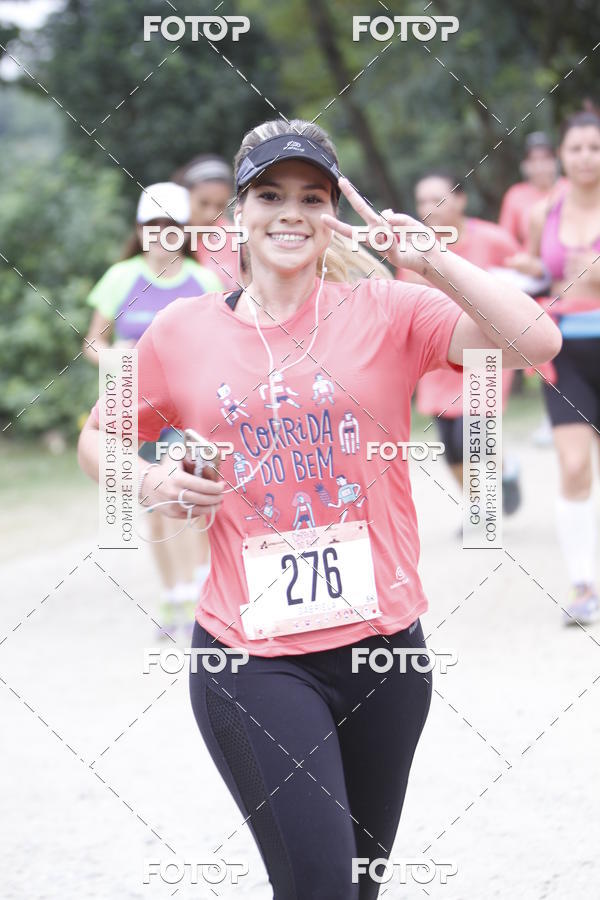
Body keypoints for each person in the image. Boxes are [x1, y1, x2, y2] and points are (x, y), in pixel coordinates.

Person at [78, 120, 560, 899]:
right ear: (238, 213)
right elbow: (97, 438)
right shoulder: (181, 330)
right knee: (320, 887)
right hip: (251, 658)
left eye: (312, 196)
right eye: (270, 195)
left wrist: (433, 261)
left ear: (335, 213)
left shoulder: (389, 309)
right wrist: (150, 483)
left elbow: (536, 342)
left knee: (359, 888)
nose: (291, 213)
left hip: (385, 654)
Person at [82, 181, 223, 635]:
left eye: (171, 225)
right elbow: (92, 342)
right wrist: (120, 359)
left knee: (188, 494)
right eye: (153, 225)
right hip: (132, 409)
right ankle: (173, 594)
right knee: (153, 500)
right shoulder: (120, 278)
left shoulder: (204, 281)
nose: (162, 234)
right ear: (140, 229)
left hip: (186, 410)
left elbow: (220, 345)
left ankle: (201, 589)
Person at [510, 110, 600, 626]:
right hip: (564, 349)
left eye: (594, 147)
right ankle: (584, 585)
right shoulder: (542, 212)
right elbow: (538, 270)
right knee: (572, 465)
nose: (586, 157)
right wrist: (528, 271)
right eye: (576, 148)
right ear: (562, 155)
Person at [399, 173, 523, 516]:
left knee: (470, 437)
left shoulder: (493, 239)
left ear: (460, 200)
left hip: (483, 354)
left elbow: (524, 282)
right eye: (422, 201)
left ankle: (503, 471)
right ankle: (479, 506)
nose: (428, 208)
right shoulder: (412, 249)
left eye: (437, 199)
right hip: (439, 363)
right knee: (452, 450)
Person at [171, 154, 239, 291]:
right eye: (203, 203)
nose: (211, 215)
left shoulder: (237, 241)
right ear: (184, 196)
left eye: (220, 206)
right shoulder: (164, 238)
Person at [499, 131, 566, 250]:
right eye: (533, 160)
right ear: (524, 165)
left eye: (545, 158)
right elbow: (505, 240)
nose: (540, 166)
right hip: (528, 257)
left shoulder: (569, 188)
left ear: (555, 161)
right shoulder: (515, 195)